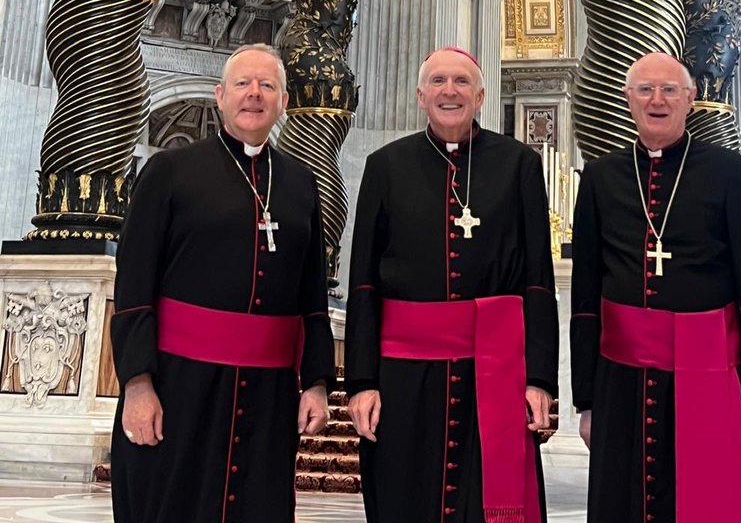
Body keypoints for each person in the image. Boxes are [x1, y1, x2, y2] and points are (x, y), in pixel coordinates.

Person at [110, 43, 334, 523]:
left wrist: (316, 383)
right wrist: (138, 383)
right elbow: (133, 287)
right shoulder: (169, 171)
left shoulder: (299, 183)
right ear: (220, 96)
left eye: (267, 86)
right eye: (242, 84)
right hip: (179, 384)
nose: (254, 95)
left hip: (268, 396)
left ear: (284, 102)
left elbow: (312, 296)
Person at [570, 51, 741, 523]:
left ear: (690, 99)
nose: (657, 99)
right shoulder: (600, 178)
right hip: (621, 382)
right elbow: (586, 299)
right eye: (645, 89)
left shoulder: (733, 174)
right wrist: (586, 401)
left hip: (711, 376)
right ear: (628, 99)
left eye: (670, 89)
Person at [345, 45, 559, 523]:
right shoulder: (385, 167)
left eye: (461, 82)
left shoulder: (519, 165)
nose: (449, 91)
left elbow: (538, 281)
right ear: (421, 95)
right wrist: (362, 382)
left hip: (496, 370)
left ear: (480, 95)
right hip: (404, 374)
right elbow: (362, 283)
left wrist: (541, 379)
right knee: (404, 494)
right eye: (438, 82)